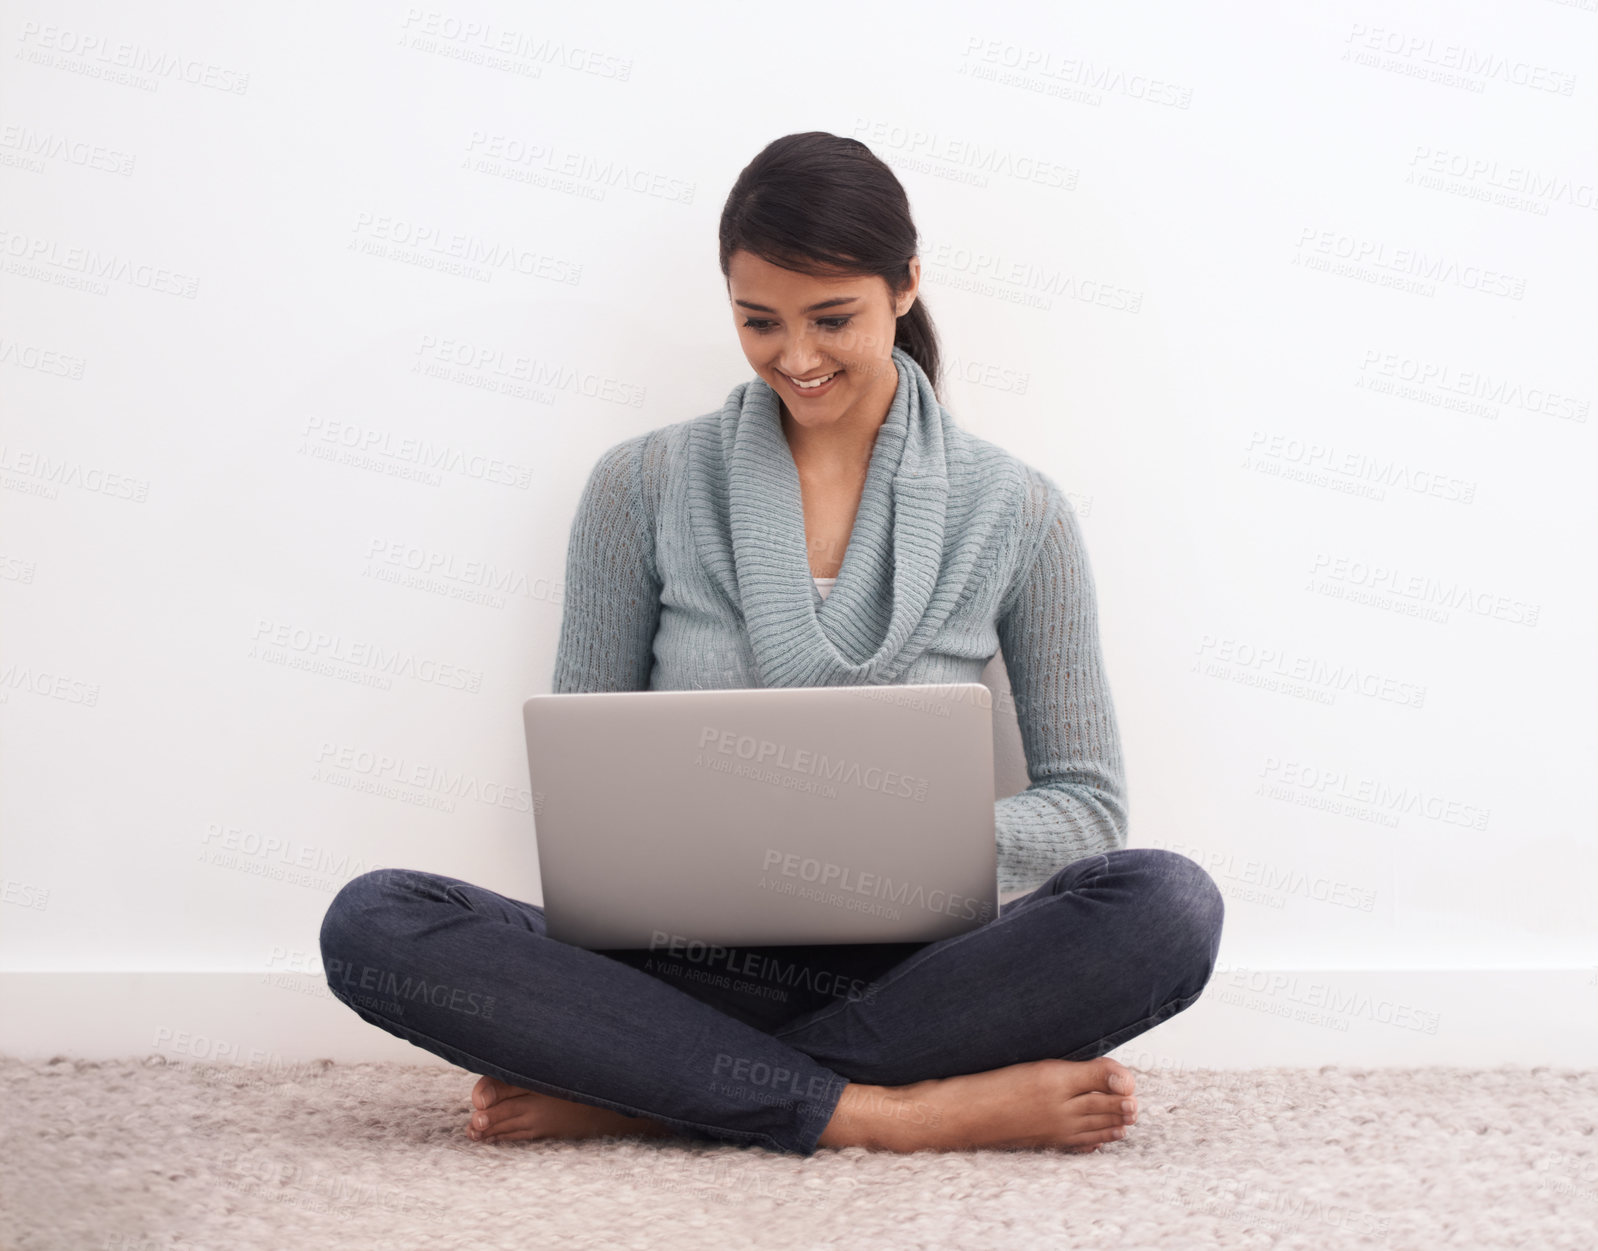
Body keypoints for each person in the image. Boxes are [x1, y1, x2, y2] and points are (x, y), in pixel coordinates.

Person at [319, 131, 1224, 1157]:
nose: (795, 358)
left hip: (919, 972)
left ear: (905, 285)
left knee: (1166, 905)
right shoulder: (642, 485)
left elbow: (1085, 806)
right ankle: (891, 1113)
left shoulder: (1015, 510)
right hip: (673, 966)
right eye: (758, 322)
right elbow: (584, 791)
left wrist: (885, 855)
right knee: (378, 920)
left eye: (831, 318)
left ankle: (642, 1091)